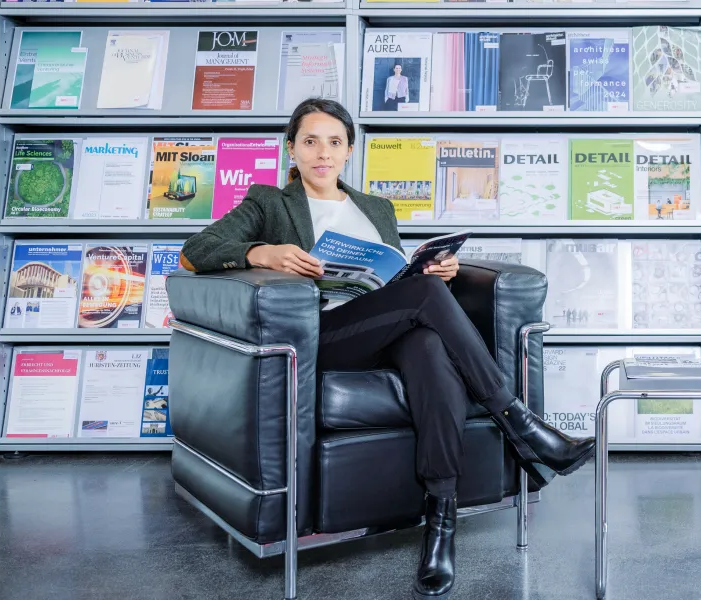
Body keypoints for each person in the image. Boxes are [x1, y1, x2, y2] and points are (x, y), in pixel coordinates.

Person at [178, 98, 595, 598]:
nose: (322, 153)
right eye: (310, 141)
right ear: (292, 149)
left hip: (385, 328)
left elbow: (393, 278)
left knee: (430, 348)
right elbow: (194, 252)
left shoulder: (376, 208)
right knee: (425, 299)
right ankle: (522, 424)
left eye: (334, 142)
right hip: (324, 337)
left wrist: (435, 272)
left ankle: (440, 523)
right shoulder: (269, 203)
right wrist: (262, 252)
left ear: (349, 151)